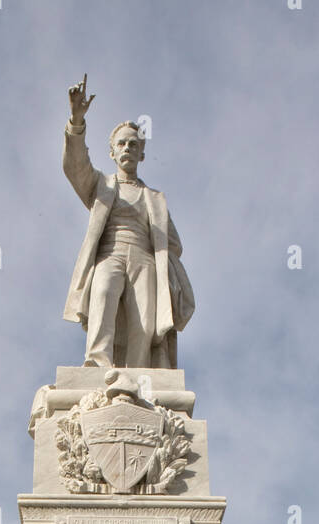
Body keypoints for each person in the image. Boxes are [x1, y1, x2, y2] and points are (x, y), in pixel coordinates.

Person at [63, 75, 194, 368]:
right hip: (110, 253)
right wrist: (76, 122)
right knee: (102, 300)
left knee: (144, 323)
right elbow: (75, 167)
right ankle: (98, 364)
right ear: (111, 152)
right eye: (121, 144)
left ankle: (138, 376)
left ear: (142, 153)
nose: (127, 149)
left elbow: (174, 244)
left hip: (145, 260)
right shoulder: (102, 185)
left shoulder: (155, 198)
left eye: (133, 145)